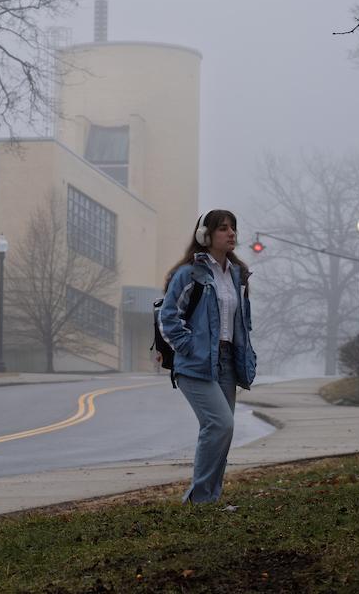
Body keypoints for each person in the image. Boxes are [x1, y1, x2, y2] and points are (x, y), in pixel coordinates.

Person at [158, 209, 257, 504]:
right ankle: (199, 500)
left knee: (220, 432)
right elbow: (168, 316)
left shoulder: (237, 275)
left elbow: (242, 323)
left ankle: (210, 499)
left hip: (227, 363)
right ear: (205, 235)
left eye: (233, 228)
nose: (231, 234)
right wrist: (188, 347)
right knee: (220, 425)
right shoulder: (191, 273)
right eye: (223, 229)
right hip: (195, 364)